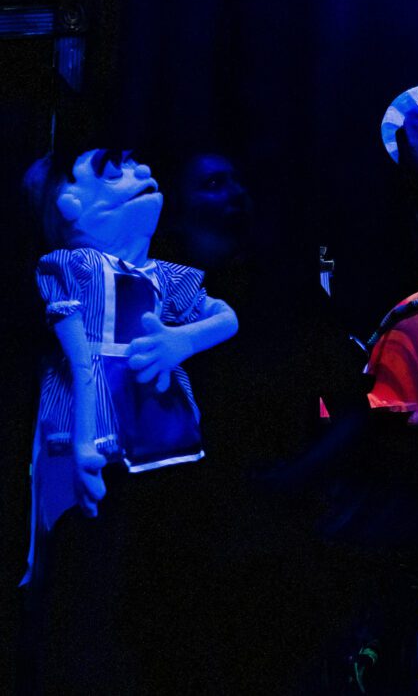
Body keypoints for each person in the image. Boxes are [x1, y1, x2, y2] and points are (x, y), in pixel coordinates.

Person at [20, 147, 238, 692]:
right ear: (70, 203)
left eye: (138, 166)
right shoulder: (75, 267)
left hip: (158, 429)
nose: (142, 173)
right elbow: (79, 359)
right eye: (114, 173)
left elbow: (226, 317)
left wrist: (181, 342)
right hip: (94, 420)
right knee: (89, 568)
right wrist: (83, 442)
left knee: (156, 565)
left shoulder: (163, 274)